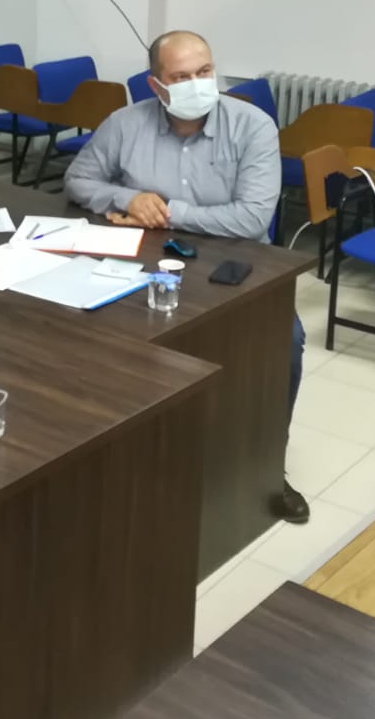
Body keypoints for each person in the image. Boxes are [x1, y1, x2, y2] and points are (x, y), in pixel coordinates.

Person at [64, 29, 311, 524]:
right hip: (147, 261)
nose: (197, 84)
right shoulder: (124, 123)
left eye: (205, 72)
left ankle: (267, 467)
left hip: (234, 264)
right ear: (156, 85)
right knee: (94, 332)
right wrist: (128, 198)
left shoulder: (253, 126)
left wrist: (167, 211)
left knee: (284, 342)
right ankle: (134, 462)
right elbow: (77, 180)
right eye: (181, 77)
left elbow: (250, 219)